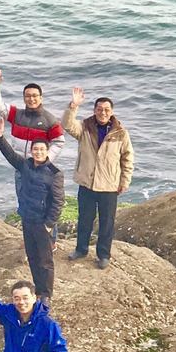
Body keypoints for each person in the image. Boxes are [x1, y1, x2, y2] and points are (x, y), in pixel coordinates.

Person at [61, 88, 134, 269]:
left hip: (109, 185)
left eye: (106, 109)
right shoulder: (85, 127)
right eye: (99, 109)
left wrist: (124, 181)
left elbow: (127, 158)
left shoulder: (120, 133)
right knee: (84, 219)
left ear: (112, 111)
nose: (103, 112)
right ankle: (81, 249)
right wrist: (73, 106)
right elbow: (67, 125)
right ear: (94, 110)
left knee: (107, 222)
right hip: (87, 183)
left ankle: (103, 255)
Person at [0, 118, 64, 305]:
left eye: (42, 149)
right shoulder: (25, 165)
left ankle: (46, 295)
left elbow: (58, 201)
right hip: (27, 219)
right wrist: (0, 137)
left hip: (43, 222)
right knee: (32, 256)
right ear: (31, 151)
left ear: (47, 151)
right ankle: (38, 289)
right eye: (35, 149)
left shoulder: (54, 173)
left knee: (45, 260)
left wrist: (49, 224)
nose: (38, 152)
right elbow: (10, 155)